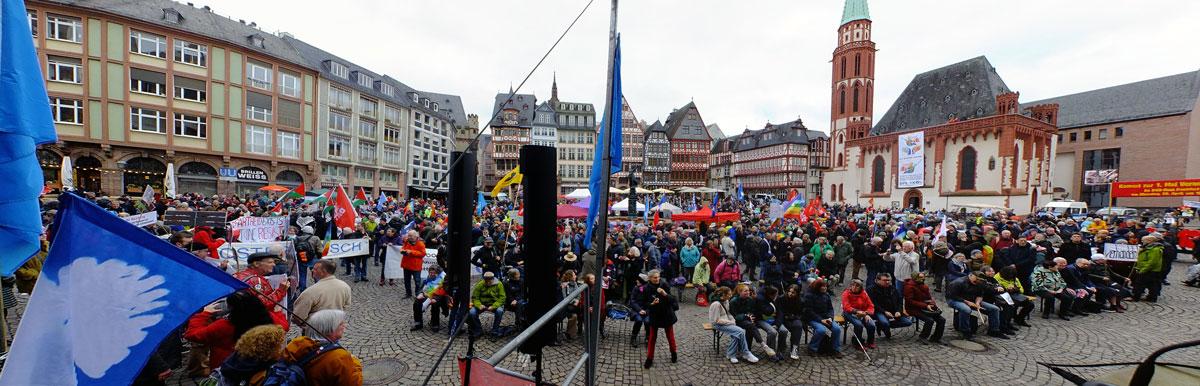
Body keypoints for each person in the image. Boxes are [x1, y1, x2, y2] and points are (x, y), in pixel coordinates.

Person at [185, 290, 287, 372]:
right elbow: (284, 326)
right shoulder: (267, 318)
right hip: (261, 367)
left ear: (232, 309)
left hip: (228, 368)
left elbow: (193, 334)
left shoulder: (223, 326)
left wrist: (204, 314)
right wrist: (278, 313)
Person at [283, 309, 363, 385]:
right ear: (329, 329)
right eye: (341, 324)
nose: (344, 326)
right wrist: (355, 362)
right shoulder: (339, 357)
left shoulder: (296, 346)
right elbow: (353, 383)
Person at [212, 324, 285, 386]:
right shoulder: (264, 370)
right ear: (269, 349)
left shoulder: (235, 358)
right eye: (279, 346)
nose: (281, 349)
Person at [293, 260, 352, 335]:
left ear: (323, 271)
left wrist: (308, 325)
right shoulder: (345, 286)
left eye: (315, 269)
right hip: (334, 330)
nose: (312, 270)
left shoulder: (311, 291)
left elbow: (298, 316)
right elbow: (346, 306)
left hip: (315, 331)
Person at [233, 252, 290, 329]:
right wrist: (280, 290)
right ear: (256, 264)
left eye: (274, 262)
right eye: (270, 262)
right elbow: (261, 304)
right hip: (254, 324)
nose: (274, 265)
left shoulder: (241, 274)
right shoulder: (255, 280)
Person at [945, 272, 1006, 340]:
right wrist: (968, 302)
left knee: (995, 309)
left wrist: (977, 302)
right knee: (966, 309)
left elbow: (980, 295)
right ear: (970, 275)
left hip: (972, 299)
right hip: (955, 299)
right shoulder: (959, 282)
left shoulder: (980, 283)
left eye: (979, 280)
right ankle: (965, 331)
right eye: (976, 279)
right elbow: (952, 296)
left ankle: (994, 330)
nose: (977, 281)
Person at [638, 270, 679, 368]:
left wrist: (665, 294)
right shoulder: (646, 288)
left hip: (666, 314)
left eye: (658, 277)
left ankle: (673, 353)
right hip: (655, 315)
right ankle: (649, 358)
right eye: (655, 277)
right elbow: (644, 303)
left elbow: (673, 299)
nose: (657, 279)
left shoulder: (664, 285)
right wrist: (652, 304)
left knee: (670, 336)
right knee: (652, 338)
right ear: (650, 278)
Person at [708, 286, 759, 364]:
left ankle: (731, 354)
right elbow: (716, 320)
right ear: (723, 295)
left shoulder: (726, 301)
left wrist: (732, 320)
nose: (730, 296)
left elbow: (729, 313)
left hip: (727, 322)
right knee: (740, 331)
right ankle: (746, 353)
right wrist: (731, 322)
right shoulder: (716, 304)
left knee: (736, 334)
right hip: (717, 324)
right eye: (729, 294)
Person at [730, 283, 776, 357]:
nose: (748, 292)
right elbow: (735, 316)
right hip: (736, 321)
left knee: (750, 326)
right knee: (750, 325)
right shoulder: (734, 301)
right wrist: (746, 316)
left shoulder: (750, 299)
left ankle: (747, 350)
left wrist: (750, 315)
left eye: (748, 291)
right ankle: (763, 345)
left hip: (748, 320)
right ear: (739, 292)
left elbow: (752, 310)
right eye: (745, 291)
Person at [801, 279, 844, 358]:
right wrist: (821, 320)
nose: (825, 288)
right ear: (818, 287)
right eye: (822, 286)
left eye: (825, 286)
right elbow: (809, 311)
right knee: (821, 330)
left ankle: (835, 349)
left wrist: (830, 318)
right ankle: (812, 348)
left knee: (837, 328)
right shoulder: (809, 296)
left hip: (826, 317)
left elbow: (830, 308)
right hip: (813, 318)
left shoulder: (826, 295)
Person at [902, 272, 946, 344]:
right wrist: (925, 306)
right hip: (913, 309)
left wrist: (932, 303)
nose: (923, 279)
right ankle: (923, 337)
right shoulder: (909, 287)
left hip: (925, 308)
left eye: (923, 277)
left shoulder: (924, 286)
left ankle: (936, 337)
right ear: (915, 278)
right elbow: (910, 301)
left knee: (942, 320)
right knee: (929, 320)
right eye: (921, 278)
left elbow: (929, 297)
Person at [867, 273, 912, 339]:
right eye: (885, 280)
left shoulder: (892, 288)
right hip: (879, 311)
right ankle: (884, 326)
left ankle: (881, 325)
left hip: (893, 310)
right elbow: (873, 304)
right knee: (885, 323)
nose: (887, 282)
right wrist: (884, 311)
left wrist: (898, 311)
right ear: (878, 280)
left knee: (908, 322)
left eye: (889, 280)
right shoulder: (871, 289)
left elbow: (899, 301)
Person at [468, 271, 507, 337]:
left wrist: (494, 306)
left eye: (489, 281)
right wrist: (479, 305)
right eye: (486, 281)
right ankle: (478, 330)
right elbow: (475, 297)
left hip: (494, 304)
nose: (488, 283)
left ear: (493, 279)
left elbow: (502, 298)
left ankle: (495, 330)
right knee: (472, 312)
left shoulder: (499, 284)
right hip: (482, 304)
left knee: (499, 311)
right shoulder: (480, 284)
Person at [411, 265, 449, 332]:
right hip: (428, 294)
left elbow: (442, 292)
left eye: (433, 273)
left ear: (437, 273)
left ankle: (435, 324)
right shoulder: (428, 278)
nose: (432, 274)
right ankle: (418, 323)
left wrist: (434, 298)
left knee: (435, 304)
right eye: (430, 273)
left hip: (439, 297)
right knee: (417, 302)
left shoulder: (442, 280)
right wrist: (421, 293)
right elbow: (424, 287)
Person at [841, 279, 877, 348]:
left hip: (863, 313)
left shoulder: (864, 293)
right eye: (853, 285)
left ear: (861, 288)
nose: (854, 287)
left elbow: (871, 306)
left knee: (871, 324)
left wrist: (866, 313)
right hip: (849, 313)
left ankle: (870, 342)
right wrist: (857, 311)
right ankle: (857, 343)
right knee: (858, 325)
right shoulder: (846, 293)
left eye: (857, 286)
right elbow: (846, 307)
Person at [776, 284, 807, 360]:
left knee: (798, 326)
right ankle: (781, 349)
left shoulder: (800, 300)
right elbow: (780, 312)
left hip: (794, 318)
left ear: (797, 293)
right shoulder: (781, 298)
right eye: (789, 291)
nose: (790, 294)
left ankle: (794, 349)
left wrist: (794, 317)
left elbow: (801, 314)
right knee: (784, 330)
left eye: (793, 292)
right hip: (784, 319)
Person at [1132, 235, 1164, 302]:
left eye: (1143, 241)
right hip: (1146, 269)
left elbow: (1152, 262)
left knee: (1141, 284)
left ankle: (1136, 297)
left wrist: (1143, 270)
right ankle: (1151, 298)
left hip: (1149, 270)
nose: (1142, 242)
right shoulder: (1148, 248)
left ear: (1149, 241)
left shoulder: (1155, 249)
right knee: (1151, 284)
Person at [400, 230, 427, 299]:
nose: (409, 237)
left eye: (411, 236)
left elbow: (423, 254)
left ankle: (418, 294)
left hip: (416, 266)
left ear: (416, 236)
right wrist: (402, 250)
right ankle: (408, 293)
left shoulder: (420, 243)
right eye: (409, 235)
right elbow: (403, 247)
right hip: (406, 265)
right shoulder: (406, 241)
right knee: (406, 281)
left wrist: (411, 252)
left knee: (417, 281)